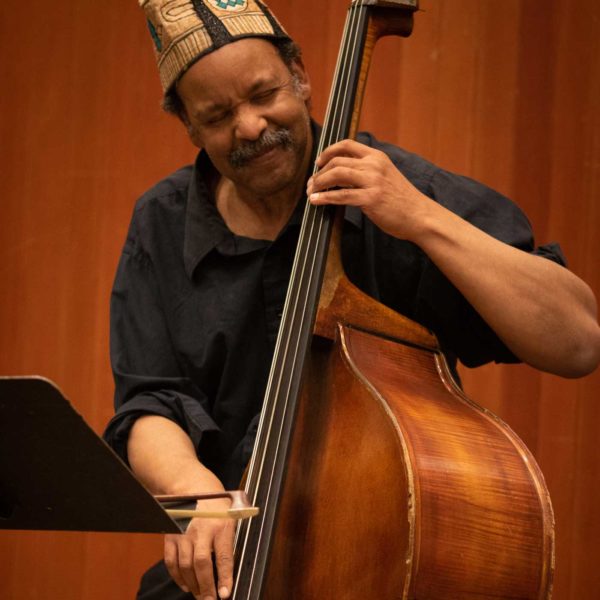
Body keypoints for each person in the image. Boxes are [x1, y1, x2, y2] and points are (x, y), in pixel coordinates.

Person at [104, 1, 600, 599]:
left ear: (301, 75)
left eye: (264, 94)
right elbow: (149, 400)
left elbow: (578, 342)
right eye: (217, 115)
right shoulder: (160, 221)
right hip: (228, 569)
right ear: (189, 126)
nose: (250, 127)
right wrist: (196, 492)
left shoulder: (399, 192)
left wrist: (420, 218)